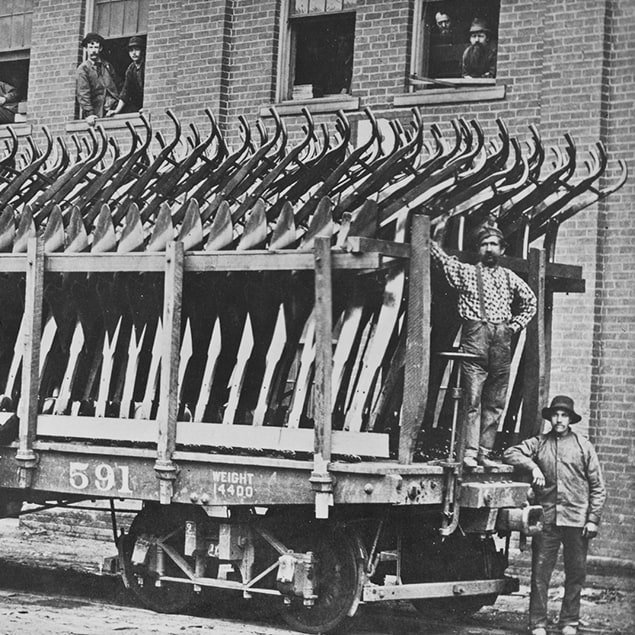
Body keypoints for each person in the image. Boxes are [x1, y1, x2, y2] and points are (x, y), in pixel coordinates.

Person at [430, 220, 537, 469]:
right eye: (484, 244)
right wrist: (432, 236)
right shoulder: (467, 273)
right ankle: (468, 452)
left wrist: (514, 326)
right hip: (475, 338)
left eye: (494, 244)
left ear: (502, 250)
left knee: (496, 399)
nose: (489, 248)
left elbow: (530, 302)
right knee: (472, 398)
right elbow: (443, 262)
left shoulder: (510, 278)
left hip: (502, 340)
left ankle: (484, 453)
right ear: (479, 249)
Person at [503, 395, 606, 635]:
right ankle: (538, 623)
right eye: (556, 415)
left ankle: (569, 621)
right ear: (550, 418)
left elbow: (598, 487)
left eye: (564, 415)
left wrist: (593, 519)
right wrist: (533, 466)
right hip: (547, 519)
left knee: (576, 572)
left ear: (570, 419)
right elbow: (510, 453)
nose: (559, 419)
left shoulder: (583, 446)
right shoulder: (539, 443)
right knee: (540, 573)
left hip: (577, 520)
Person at [76, 32, 120, 126]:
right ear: (86, 49)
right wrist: (90, 114)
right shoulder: (83, 69)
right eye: (91, 48)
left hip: (113, 108)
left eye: (96, 47)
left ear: (100, 49)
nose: (93, 51)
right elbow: (83, 94)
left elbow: (118, 85)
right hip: (98, 112)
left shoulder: (107, 66)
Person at [107, 35, 145, 116]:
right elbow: (126, 91)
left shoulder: (147, 66)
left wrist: (147, 106)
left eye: (137, 49)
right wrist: (116, 110)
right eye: (131, 50)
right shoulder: (131, 69)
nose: (134, 53)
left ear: (142, 50)